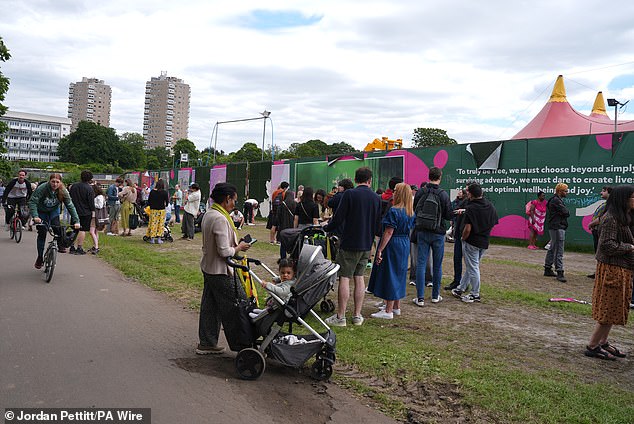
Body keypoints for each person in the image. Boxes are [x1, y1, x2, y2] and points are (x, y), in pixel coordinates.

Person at [196, 182, 251, 355]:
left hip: (209, 267)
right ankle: (244, 343)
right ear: (227, 199)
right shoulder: (220, 218)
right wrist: (239, 248)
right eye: (234, 199)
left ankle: (207, 342)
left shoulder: (210, 213)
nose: (235, 203)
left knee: (210, 306)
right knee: (240, 304)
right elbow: (224, 251)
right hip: (220, 270)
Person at [324, 167, 382, 326]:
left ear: (356, 179)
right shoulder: (376, 198)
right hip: (366, 244)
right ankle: (357, 315)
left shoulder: (350, 194)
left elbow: (338, 218)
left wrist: (326, 227)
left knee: (344, 277)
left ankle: (341, 316)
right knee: (359, 278)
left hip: (349, 242)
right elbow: (378, 225)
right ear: (370, 180)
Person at [584, 185, 634, 360]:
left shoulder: (621, 218)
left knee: (613, 310)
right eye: (632, 197)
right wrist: (630, 247)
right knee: (608, 310)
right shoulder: (611, 219)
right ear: (623, 199)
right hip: (612, 269)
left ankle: (603, 342)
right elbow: (606, 245)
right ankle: (592, 346)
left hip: (621, 268)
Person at [368, 183, 415, 319]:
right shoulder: (410, 212)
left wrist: (380, 250)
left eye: (395, 191)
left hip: (393, 242)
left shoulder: (394, 210)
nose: (393, 193)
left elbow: (389, 232)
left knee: (390, 274)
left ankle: (388, 310)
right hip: (404, 242)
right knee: (399, 273)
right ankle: (395, 306)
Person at [451, 183, 499, 303]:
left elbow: (467, 228)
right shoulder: (489, 205)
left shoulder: (471, 208)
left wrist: (463, 238)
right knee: (472, 266)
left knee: (473, 267)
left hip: (471, 241)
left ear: (470, 194)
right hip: (484, 241)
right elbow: (493, 222)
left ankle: (475, 294)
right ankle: (461, 288)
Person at [412, 166, 453, 307]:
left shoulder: (421, 191)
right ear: (440, 177)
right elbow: (448, 214)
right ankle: (435, 296)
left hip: (422, 231)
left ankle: (420, 298)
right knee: (437, 265)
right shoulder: (443, 194)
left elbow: (415, 208)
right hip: (438, 233)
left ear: (428, 176)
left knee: (421, 264)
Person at [28, 174, 80, 269]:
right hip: (41, 212)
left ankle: (59, 245)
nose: (55, 184)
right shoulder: (42, 188)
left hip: (53, 211)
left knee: (57, 228)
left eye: (57, 182)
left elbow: (70, 206)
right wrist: (35, 216)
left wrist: (77, 221)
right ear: (49, 181)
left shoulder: (63, 191)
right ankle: (40, 257)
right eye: (53, 181)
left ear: (60, 182)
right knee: (42, 232)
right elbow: (33, 202)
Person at [544, 183, 570, 282]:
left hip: (555, 226)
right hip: (558, 226)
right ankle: (559, 271)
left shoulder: (553, 200)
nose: (567, 193)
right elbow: (566, 212)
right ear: (560, 191)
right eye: (565, 191)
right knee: (559, 249)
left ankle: (547, 267)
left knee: (553, 247)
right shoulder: (556, 201)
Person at [445, 187, 468, 291]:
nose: (461, 192)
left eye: (466, 190)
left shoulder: (472, 204)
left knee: (469, 262)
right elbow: (453, 211)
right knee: (457, 259)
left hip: (466, 235)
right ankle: (457, 281)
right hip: (458, 233)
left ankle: (465, 283)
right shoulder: (460, 202)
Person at [587, 186, 612, 279]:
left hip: (600, 231)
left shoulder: (610, 205)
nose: (601, 192)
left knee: (601, 252)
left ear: (609, 192)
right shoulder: (606, 203)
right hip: (597, 230)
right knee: (598, 252)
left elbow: (602, 218)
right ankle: (598, 271)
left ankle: (601, 273)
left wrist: (591, 224)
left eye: (603, 191)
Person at [69, 170, 96, 255]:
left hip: (74, 211)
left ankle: (71, 246)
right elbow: (91, 202)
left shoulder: (74, 186)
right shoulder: (89, 188)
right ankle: (79, 247)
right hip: (85, 212)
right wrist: (93, 211)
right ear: (90, 178)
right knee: (82, 229)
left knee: (74, 228)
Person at [146, 179, 170, 244]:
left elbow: (149, 201)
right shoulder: (164, 192)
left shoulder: (152, 192)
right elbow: (167, 202)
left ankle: (152, 239)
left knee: (153, 223)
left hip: (153, 210)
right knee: (160, 224)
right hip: (161, 210)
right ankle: (159, 239)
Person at [276, 190, 296, 258]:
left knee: (283, 244)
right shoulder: (295, 204)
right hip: (292, 226)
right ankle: (292, 257)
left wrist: (278, 224)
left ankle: (283, 257)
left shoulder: (282, 204)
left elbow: (278, 216)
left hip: (283, 226)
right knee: (293, 243)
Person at [89, 183, 106, 254]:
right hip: (95, 215)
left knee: (91, 231)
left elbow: (100, 206)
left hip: (95, 215)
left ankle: (96, 247)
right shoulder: (99, 196)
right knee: (95, 231)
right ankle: (95, 245)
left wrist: (92, 203)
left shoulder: (99, 197)